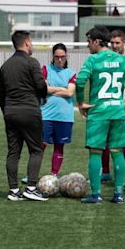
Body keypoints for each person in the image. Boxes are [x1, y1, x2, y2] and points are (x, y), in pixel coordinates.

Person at [76, 26, 125, 204]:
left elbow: (81, 80)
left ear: (97, 41)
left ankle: (96, 194)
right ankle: (119, 194)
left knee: (96, 152)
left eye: (89, 41)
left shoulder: (93, 60)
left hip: (98, 112)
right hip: (117, 111)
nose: (88, 45)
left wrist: (81, 102)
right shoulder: (122, 60)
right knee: (117, 151)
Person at [0, 30, 48, 202]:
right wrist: (43, 94)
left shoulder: (5, 65)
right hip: (29, 111)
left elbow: (0, 93)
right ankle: (31, 188)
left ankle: (13, 191)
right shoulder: (32, 62)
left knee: (13, 152)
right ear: (27, 43)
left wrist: (6, 111)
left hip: (10, 112)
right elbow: (41, 87)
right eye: (31, 42)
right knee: (36, 149)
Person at [99, 29, 125, 182]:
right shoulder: (107, 58)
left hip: (124, 104)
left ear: (124, 43)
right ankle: (105, 172)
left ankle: (121, 173)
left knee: (121, 140)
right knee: (104, 139)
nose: (114, 46)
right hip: (107, 103)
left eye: (117, 43)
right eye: (112, 43)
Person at [41, 43, 76, 176]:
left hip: (64, 116)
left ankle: (54, 174)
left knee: (59, 146)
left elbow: (70, 93)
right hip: (46, 114)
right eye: (57, 57)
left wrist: (52, 90)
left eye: (62, 57)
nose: (60, 60)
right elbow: (44, 89)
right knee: (40, 145)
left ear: (66, 56)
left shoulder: (71, 73)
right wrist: (62, 88)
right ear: (53, 56)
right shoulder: (45, 69)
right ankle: (31, 174)